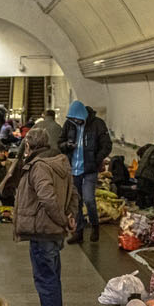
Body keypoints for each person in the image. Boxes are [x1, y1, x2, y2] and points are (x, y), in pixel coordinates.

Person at [1, 128, 78, 306]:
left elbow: (47, 199)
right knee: (52, 276)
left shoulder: (39, 167)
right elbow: (73, 192)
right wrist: (71, 216)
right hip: (53, 232)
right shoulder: (59, 161)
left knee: (45, 278)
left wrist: (63, 219)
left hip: (43, 230)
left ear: (28, 146)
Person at [57, 100, 111, 244]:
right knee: (76, 202)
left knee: (89, 199)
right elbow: (60, 142)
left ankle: (95, 225)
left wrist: (96, 159)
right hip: (73, 169)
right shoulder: (69, 125)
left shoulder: (97, 124)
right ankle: (78, 232)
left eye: (77, 119)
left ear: (83, 116)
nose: (75, 121)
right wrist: (66, 145)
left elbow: (107, 145)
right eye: (73, 119)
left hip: (89, 169)